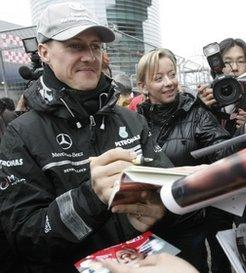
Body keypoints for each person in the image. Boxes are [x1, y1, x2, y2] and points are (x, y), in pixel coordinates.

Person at [0, 3, 173, 273]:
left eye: (95, 46)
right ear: (44, 52)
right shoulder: (21, 134)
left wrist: (156, 208)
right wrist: (90, 198)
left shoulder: (131, 119)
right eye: (75, 45)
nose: (89, 56)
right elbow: (25, 238)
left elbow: (168, 189)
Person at [134, 48, 239, 273]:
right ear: (143, 86)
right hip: (149, 226)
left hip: (188, 223)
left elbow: (226, 153)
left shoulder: (196, 114)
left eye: (172, 74)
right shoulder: (135, 122)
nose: (169, 82)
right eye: (159, 78)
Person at [197, 38, 246, 136]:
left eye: (241, 61)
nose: (235, 68)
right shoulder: (210, 94)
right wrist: (202, 108)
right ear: (216, 64)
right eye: (227, 62)